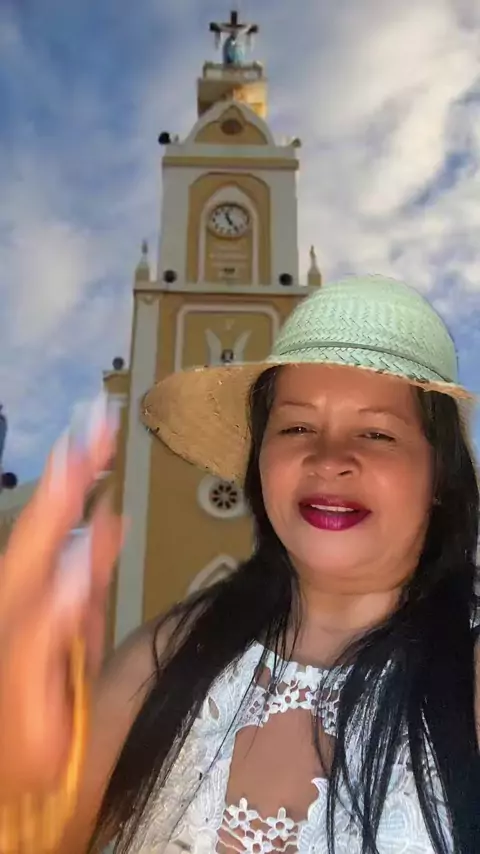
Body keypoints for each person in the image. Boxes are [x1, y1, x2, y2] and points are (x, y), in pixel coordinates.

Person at [0, 274, 478, 854]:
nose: (328, 459)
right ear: (260, 463)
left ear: (439, 475)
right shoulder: (163, 660)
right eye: (296, 427)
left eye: (377, 433)